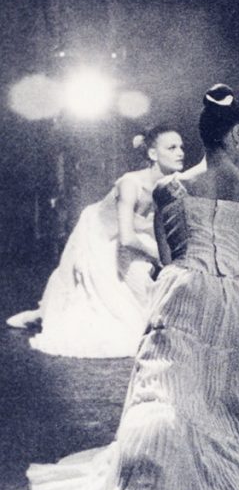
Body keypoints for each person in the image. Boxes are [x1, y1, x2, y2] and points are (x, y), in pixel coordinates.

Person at [26, 84, 239, 490]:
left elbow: (169, 260)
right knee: (225, 404)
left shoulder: (169, 189)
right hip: (238, 306)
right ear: (236, 135)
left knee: (161, 394)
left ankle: (157, 476)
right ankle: (214, 478)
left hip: (181, 296)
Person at [6, 125, 185, 358]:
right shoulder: (130, 184)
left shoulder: (172, 185)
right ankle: (41, 315)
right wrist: (158, 255)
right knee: (74, 286)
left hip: (134, 236)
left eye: (181, 147)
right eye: (172, 148)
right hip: (99, 234)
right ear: (153, 154)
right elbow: (127, 237)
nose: (180, 153)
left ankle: (41, 314)